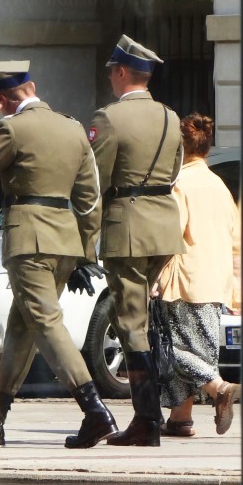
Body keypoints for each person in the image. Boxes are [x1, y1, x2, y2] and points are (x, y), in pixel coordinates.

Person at [0, 61, 118, 449]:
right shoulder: (72, 128)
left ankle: (95, 410)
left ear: (0, 99)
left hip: (28, 240)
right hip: (65, 240)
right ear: (33, 86)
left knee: (46, 323)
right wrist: (86, 252)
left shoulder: (9, 128)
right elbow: (90, 200)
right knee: (22, 328)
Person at [86, 35, 186, 447]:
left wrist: (84, 240)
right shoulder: (171, 116)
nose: (110, 76)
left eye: (112, 70)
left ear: (122, 72)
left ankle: (146, 419)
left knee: (130, 324)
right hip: (163, 226)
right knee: (143, 320)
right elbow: (175, 171)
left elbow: (95, 184)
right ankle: (153, 413)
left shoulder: (108, 119)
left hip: (127, 229)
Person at [154, 113, 242, 437]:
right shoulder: (219, 186)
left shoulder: (180, 185)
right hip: (214, 282)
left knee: (170, 347)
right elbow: (236, 242)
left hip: (184, 280)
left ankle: (219, 387)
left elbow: (172, 235)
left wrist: (154, 275)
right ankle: (180, 418)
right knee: (200, 349)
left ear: (179, 147)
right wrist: (234, 290)